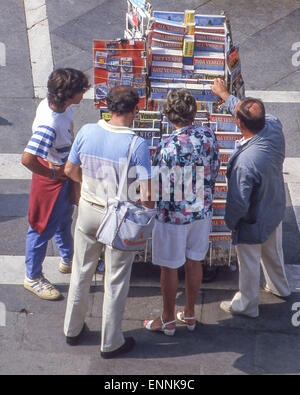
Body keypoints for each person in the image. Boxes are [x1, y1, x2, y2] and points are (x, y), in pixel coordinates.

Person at [63, 85, 154, 358]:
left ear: (108, 107)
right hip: (119, 216)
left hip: (89, 209)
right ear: (135, 111)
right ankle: (111, 342)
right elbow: (147, 194)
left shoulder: (87, 132)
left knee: (81, 270)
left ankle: (72, 329)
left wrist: (91, 187)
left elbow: (69, 170)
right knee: (114, 280)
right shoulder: (137, 145)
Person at [211, 78, 291, 318]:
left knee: (249, 263)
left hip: (252, 219)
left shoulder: (245, 163)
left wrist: (230, 223)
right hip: (274, 205)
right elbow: (244, 110)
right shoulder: (273, 126)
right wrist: (226, 95)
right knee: (273, 252)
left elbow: (239, 202)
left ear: (238, 123)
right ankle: (280, 287)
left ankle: (247, 304)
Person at [144, 88, 220, 335]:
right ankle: (189, 313)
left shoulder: (167, 146)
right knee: (195, 260)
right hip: (201, 211)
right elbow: (215, 167)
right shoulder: (208, 135)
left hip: (173, 215)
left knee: (169, 267)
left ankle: (167, 319)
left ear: (168, 115)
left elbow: (157, 185)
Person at [22, 68, 90, 300]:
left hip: (62, 174)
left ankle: (68, 258)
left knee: (63, 220)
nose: (84, 94)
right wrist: (52, 174)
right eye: (81, 90)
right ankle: (33, 277)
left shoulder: (59, 107)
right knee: (41, 228)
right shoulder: (49, 125)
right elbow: (28, 159)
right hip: (51, 181)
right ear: (69, 95)